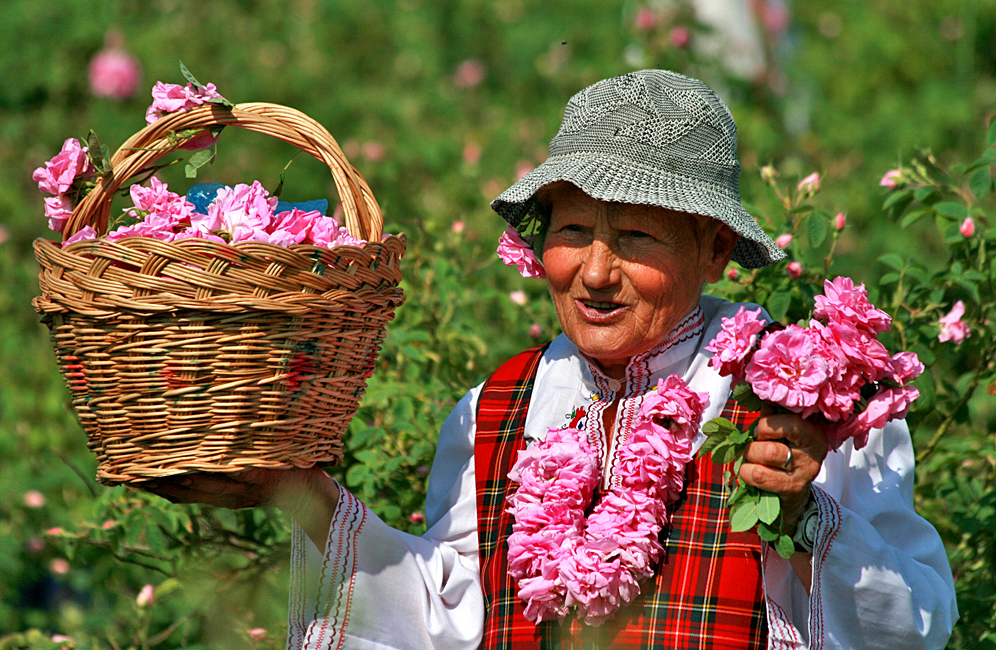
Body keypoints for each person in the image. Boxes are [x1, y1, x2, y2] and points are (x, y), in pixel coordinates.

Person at [147, 70, 958, 649]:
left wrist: (808, 517)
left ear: (714, 251)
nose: (595, 272)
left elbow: (918, 624)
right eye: (572, 231)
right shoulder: (494, 408)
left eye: (635, 236)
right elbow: (447, 623)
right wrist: (309, 499)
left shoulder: (808, 401)